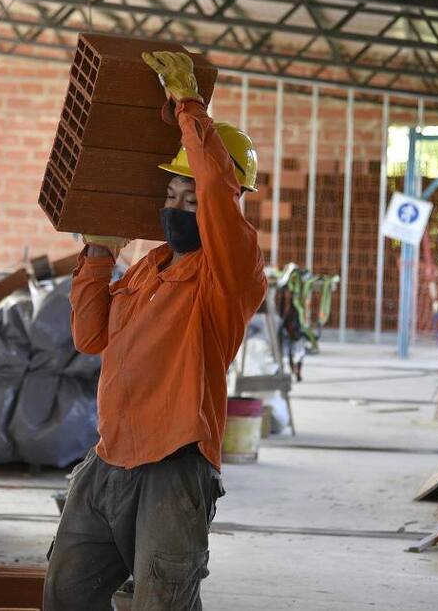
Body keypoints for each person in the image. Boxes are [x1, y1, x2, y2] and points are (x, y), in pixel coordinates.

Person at [44, 51, 267, 610]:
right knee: (65, 595)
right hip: (109, 457)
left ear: (227, 203)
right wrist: (97, 254)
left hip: (175, 464)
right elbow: (91, 337)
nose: (178, 205)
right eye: (171, 194)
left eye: (191, 198)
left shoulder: (230, 275)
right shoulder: (147, 268)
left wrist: (189, 106)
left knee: (161, 603)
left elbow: (217, 191)